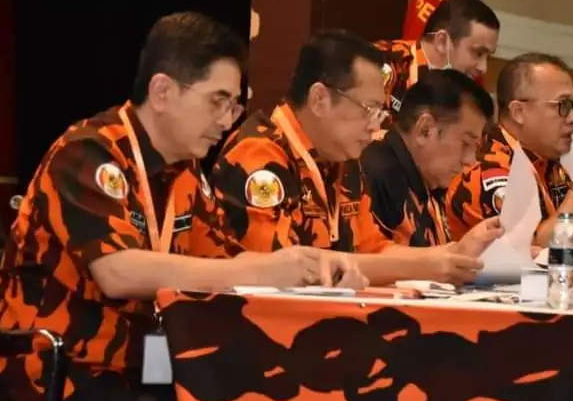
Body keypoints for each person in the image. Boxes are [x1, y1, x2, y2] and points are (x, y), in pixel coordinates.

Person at [0, 12, 364, 401]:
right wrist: (260, 272)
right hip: (46, 366)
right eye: (218, 101)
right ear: (162, 91)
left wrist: (312, 265)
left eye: (234, 106)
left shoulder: (185, 173)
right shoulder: (88, 153)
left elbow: (226, 259)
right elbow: (117, 272)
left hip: (137, 364)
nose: (227, 121)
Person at [210, 30, 503, 287]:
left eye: (380, 113)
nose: (376, 126)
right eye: (369, 109)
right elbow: (288, 269)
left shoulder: (344, 161)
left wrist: (454, 254)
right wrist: (429, 266)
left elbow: (374, 249)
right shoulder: (260, 153)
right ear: (320, 99)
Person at [446, 52, 573, 247]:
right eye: (562, 105)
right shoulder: (487, 170)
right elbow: (535, 251)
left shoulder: (550, 166)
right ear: (519, 112)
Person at [361, 69, 494, 247]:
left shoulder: (432, 181)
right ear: (425, 130)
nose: (470, 160)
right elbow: (370, 259)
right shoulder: (373, 175)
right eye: (466, 143)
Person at [375, 0, 500, 116]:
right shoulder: (382, 61)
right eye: (478, 53)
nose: (483, 68)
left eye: (488, 57)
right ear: (441, 42)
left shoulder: (465, 96)